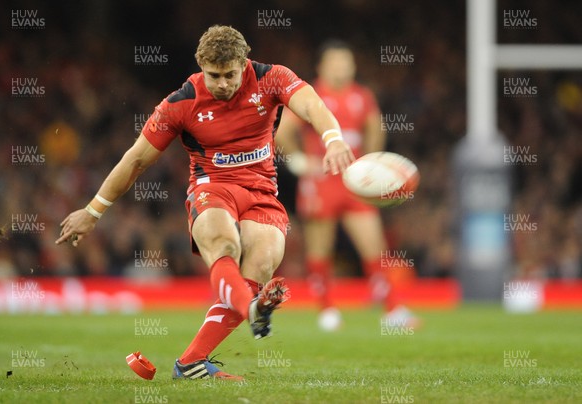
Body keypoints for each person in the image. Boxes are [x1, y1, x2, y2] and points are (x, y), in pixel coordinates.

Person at [55, 25, 354, 380]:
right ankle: (252, 308)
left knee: (262, 261)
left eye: (230, 74)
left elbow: (312, 104)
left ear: (244, 63)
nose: (223, 83)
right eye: (214, 75)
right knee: (224, 243)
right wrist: (92, 211)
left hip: (261, 192)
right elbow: (135, 160)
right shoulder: (181, 103)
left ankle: (191, 362)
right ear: (200, 66)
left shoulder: (272, 79)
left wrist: (333, 139)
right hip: (212, 188)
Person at [276, 40, 418, 331]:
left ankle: (392, 311)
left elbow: (376, 126)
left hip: (355, 182)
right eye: (336, 62)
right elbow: (283, 132)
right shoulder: (311, 96)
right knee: (319, 249)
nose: (342, 68)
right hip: (321, 180)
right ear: (322, 67)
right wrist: (300, 161)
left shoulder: (362, 96)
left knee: (374, 247)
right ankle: (327, 310)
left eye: (347, 62)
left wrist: (373, 163)